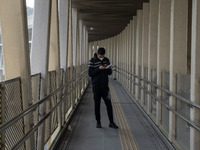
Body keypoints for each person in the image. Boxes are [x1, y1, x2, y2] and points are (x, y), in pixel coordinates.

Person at [88, 47, 118, 129]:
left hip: (105, 87)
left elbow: (109, 73)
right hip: (96, 87)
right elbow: (90, 74)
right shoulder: (92, 61)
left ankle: (111, 122)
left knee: (109, 104)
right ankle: (98, 122)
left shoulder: (106, 60)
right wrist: (98, 68)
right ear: (97, 54)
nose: (102, 57)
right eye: (101, 56)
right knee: (97, 105)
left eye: (103, 56)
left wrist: (108, 69)